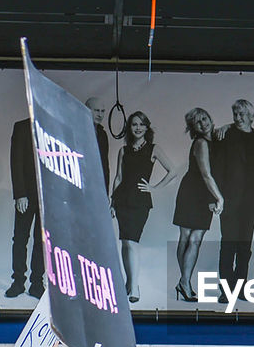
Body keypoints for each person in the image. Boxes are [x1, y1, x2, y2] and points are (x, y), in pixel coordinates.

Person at [111, 111, 177, 302]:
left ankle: (134, 287)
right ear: (129, 128)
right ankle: (129, 282)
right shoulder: (123, 150)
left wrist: (154, 187)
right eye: (134, 124)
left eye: (141, 124)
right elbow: (118, 178)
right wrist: (112, 200)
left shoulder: (154, 149)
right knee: (125, 243)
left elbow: (172, 171)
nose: (137, 127)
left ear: (147, 127)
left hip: (140, 201)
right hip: (122, 199)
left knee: (132, 242)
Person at [171, 108, 221, 302]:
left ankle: (183, 282)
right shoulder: (200, 143)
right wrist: (219, 198)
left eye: (205, 118)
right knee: (186, 237)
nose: (203, 123)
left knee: (196, 238)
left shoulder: (215, 139)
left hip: (205, 194)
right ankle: (185, 283)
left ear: (210, 118)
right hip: (193, 192)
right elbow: (206, 175)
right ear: (194, 128)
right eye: (197, 122)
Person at [213, 100, 254, 285]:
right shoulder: (225, 136)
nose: (238, 118)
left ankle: (241, 285)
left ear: (251, 117)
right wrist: (215, 197)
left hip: (252, 200)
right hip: (229, 198)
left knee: (245, 245)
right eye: (235, 115)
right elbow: (216, 168)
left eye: (242, 114)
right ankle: (226, 288)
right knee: (228, 243)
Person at [6, 116, 44, 300]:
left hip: (48, 196)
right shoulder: (21, 126)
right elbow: (16, 161)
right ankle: (18, 282)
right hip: (26, 194)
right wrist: (20, 194)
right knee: (20, 238)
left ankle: (37, 283)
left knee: (42, 241)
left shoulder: (56, 125)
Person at [85, 96, 111, 194]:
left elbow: (105, 165)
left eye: (102, 111)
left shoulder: (103, 135)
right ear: (87, 110)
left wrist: (106, 192)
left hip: (99, 188)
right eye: (96, 110)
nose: (100, 115)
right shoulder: (78, 130)